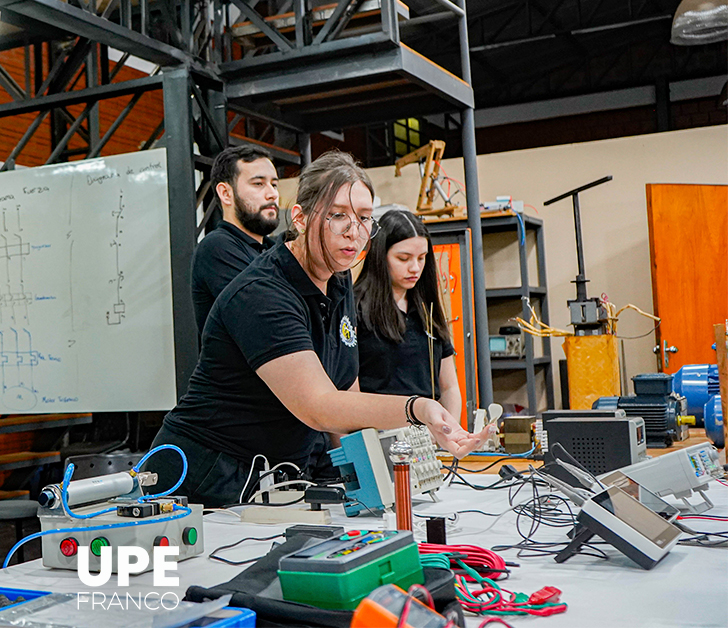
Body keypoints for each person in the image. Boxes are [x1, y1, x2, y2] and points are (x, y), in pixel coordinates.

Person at [143, 150, 491, 507]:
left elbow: (347, 395)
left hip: (273, 474)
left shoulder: (338, 281)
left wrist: (374, 485)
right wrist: (419, 409)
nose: (353, 231)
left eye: (364, 217)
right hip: (203, 475)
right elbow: (318, 407)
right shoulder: (262, 292)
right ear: (300, 218)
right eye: (338, 215)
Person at [355, 210, 463, 423]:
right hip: (378, 431)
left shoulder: (427, 309)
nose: (415, 268)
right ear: (380, 255)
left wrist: (450, 433)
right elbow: (346, 392)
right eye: (403, 258)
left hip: (426, 435)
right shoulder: (355, 308)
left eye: (422, 258)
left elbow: (449, 387)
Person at [190, 146, 281, 337]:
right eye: (258, 184)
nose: (272, 194)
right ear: (226, 193)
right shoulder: (216, 248)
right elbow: (270, 313)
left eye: (274, 184)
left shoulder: (273, 250)